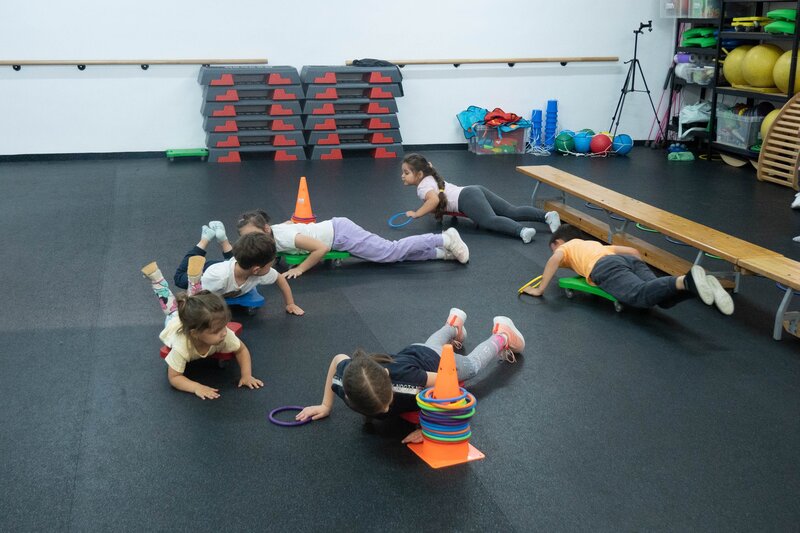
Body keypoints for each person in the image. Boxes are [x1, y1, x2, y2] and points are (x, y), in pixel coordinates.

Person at [295, 308, 525, 443]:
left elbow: (446, 384)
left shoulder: (407, 382)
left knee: (471, 367)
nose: (387, 409)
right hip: (415, 351)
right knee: (430, 344)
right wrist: (325, 405)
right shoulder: (345, 382)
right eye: (382, 408)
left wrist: (427, 430)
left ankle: (502, 335)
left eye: (386, 402)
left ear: (387, 376)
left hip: (435, 363)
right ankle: (454, 324)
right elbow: (338, 359)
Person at [522, 224, 734, 315]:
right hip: (625, 260)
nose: (554, 253)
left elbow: (555, 259)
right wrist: (634, 271)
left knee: (640, 295)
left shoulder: (566, 247)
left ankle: (686, 280)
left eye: (552, 248)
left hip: (604, 267)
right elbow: (633, 252)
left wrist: (540, 289)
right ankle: (700, 287)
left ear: (559, 242)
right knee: (660, 298)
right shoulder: (594, 244)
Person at [140, 262, 263, 400]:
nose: (224, 332)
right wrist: (196, 387)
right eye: (216, 331)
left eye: (224, 326)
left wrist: (246, 375)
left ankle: (194, 281)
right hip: (174, 322)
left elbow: (242, 350)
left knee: (195, 303)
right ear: (195, 334)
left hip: (195, 321)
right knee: (171, 309)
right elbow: (174, 377)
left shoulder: (224, 334)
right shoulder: (182, 346)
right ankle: (157, 279)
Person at [236, 209, 469, 279]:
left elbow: (321, 248)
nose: (249, 241)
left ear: (266, 230)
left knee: (390, 251)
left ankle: (445, 238)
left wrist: (300, 268)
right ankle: (441, 253)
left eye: (251, 235)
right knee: (390, 256)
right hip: (338, 230)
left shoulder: (284, 238)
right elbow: (289, 222)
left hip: (341, 234)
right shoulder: (271, 235)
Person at [400, 153, 561, 243]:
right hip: (473, 190)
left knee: (490, 220)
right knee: (511, 210)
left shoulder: (422, 187)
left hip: (466, 199)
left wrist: (416, 213)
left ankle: (522, 231)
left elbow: (433, 201)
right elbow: (429, 168)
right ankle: (547, 216)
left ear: (419, 174)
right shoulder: (430, 174)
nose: (402, 176)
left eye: (406, 173)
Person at [201, 231, 304, 315]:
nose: (271, 269)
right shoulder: (218, 278)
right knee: (191, 266)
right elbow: (198, 298)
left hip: (236, 265)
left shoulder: (260, 273)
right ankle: (206, 239)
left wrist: (290, 303)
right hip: (205, 270)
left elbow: (279, 278)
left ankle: (224, 241)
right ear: (256, 270)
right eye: (270, 266)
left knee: (231, 258)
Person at [173, 221, 232, 291]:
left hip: (214, 271)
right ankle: (213, 239)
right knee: (233, 265)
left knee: (179, 277)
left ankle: (216, 240)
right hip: (231, 272)